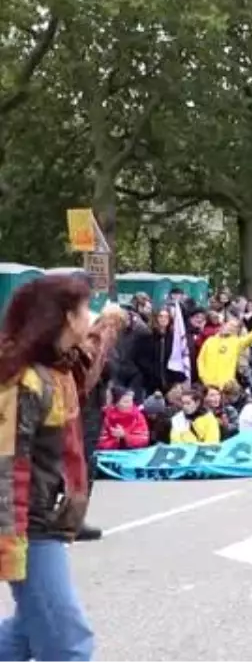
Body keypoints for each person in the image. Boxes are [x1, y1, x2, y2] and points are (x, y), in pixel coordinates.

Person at [0, 276, 122, 660]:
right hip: (29, 527)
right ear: (67, 318)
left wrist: (110, 325)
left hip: (45, 520)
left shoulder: (60, 369)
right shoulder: (24, 383)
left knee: (25, 633)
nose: (91, 315)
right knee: (68, 643)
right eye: (86, 309)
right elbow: (7, 466)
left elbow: (89, 359)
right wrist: (10, 545)